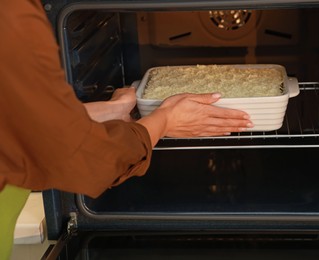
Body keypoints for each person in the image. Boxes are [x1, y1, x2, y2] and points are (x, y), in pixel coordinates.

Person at [0, 0, 253, 258]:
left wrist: (111, 111)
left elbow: (19, 117)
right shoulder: (9, 15)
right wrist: (163, 121)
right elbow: (85, 159)